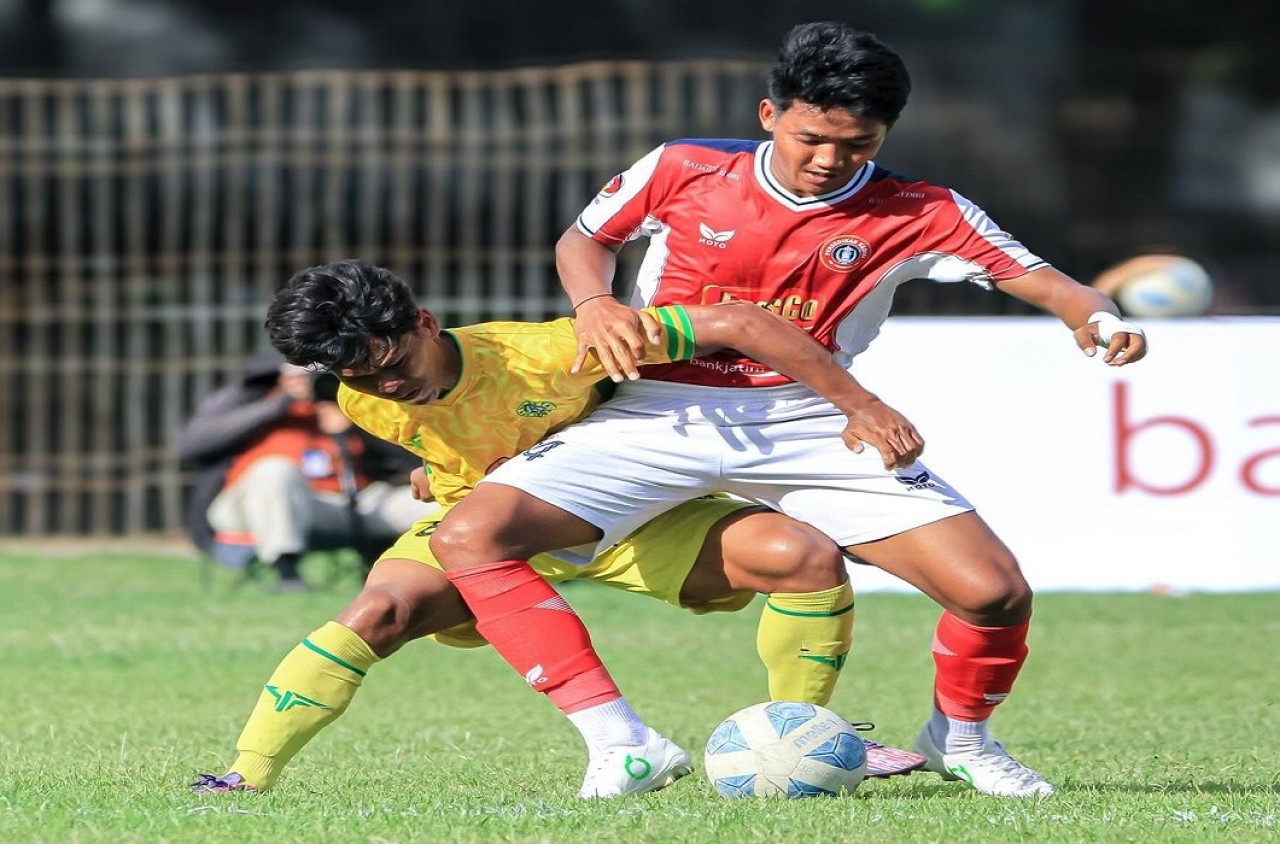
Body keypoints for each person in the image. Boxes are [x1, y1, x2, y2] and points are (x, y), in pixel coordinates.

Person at [426, 21, 1149, 799]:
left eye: (857, 144)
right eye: (812, 138)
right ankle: (621, 743)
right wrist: (597, 303)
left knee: (993, 590)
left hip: (811, 417)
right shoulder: (683, 166)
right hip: (656, 408)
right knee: (470, 537)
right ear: (770, 115)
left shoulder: (921, 209)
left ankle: (961, 739)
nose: (829, 161)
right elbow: (584, 239)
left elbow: (1050, 282)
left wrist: (1096, 318)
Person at [191, 258, 927, 800]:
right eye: (358, 378)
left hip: (626, 517)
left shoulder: (549, 352)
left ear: (422, 322)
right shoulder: (364, 399)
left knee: (802, 555)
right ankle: (244, 776)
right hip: (482, 533)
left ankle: (809, 737)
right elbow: (449, 439)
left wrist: (853, 404)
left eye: (390, 363)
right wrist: (437, 469)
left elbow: (737, 323)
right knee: (378, 611)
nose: (386, 387)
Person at [178, 352, 426, 589]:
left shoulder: (352, 405)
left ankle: (444, 573)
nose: (310, 381)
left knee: (432, 501)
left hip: (345, 504)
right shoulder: (252, 397)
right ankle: (287, 573)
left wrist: (356, 426)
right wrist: (280, 403)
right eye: (301, 374)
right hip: (248, 508)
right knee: (276, 470)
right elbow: (192, 446)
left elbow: (411, 456)